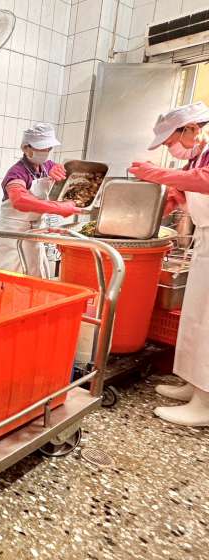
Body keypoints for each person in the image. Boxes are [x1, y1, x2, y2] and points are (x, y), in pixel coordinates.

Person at [130, 101, 209, 427]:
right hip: (205, 238)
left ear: (190, 129)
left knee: (208, 321)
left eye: (170, 142)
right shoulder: (197, 156)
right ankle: (195, 386)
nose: (170, 149)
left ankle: (205, 404)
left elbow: (204, 181)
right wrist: (138, 223)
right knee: (196, 317)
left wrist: (155, 173)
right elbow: (180, 194)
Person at [0, 123, 85, 277]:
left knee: (34, 278)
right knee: (8, 281)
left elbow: (67, 181)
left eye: (48, 148)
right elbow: (19, 200)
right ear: (26, 148)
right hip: (12, 238)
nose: (45, 152)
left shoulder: (47, 166)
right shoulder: (16, 172)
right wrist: (58, 208)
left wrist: (60, 173)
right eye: (41, 148)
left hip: (34, 236)